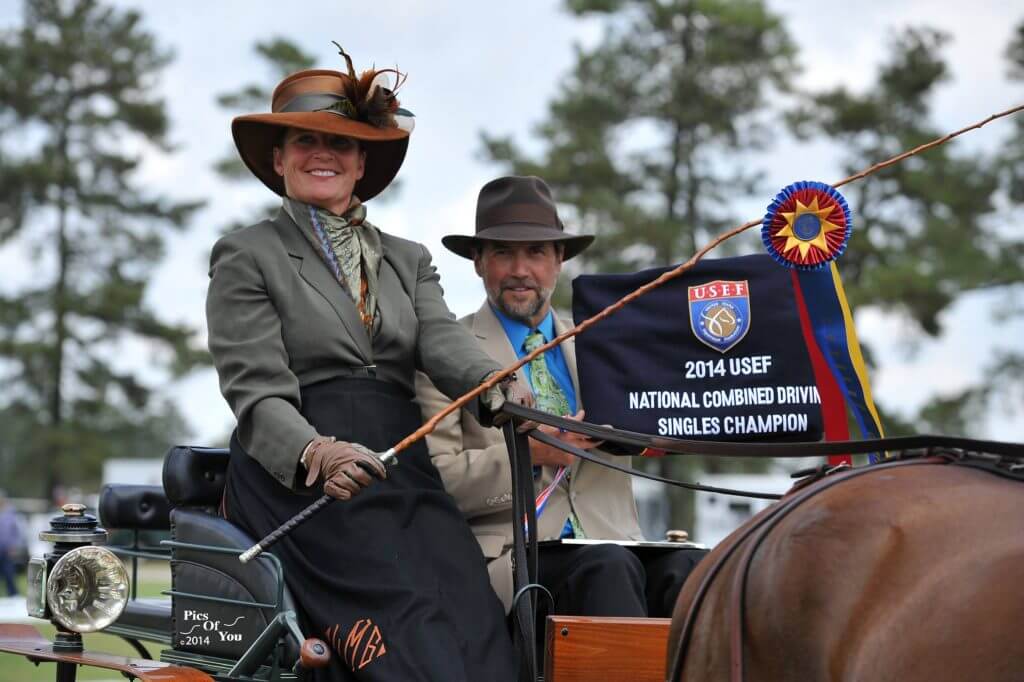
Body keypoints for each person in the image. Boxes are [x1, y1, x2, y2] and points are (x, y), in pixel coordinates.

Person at [206, 53, 529, 681]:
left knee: (476, 620)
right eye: (306, 140)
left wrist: (501, 388)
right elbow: (256, 391)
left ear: (360, 164)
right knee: (409, 628)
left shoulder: (408, 259)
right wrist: (317, 454)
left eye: (340, 143)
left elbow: (443, 344)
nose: (321, 154)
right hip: (300, 474)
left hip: (402, 463)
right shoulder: (248, 255)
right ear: (279, 159)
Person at [416, 175, 707, 623]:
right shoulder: (447, 354)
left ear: (558, 261)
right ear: (477, 262)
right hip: (513, 558)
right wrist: (531, 453)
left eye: (535, 252)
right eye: (503, 253)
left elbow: (662, 416)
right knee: (607, 568)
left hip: (617, 543)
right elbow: (439, 482)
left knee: (693, 569)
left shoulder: (602, 344)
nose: (520, 269)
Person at [0, 491, 22, 597]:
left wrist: (14, 546)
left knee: (9, 572)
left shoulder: (10, 513)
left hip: (7, 548)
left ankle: (13, 594)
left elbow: (16, 531)